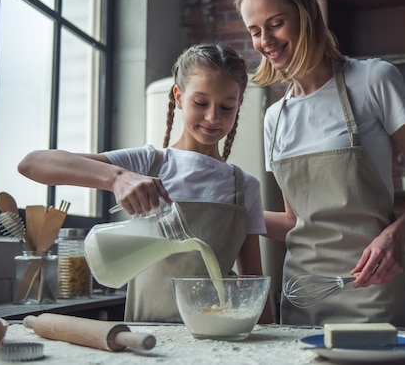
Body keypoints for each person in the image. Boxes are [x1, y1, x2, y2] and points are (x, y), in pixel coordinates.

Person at [233, 0, 405, 326]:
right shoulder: (275, 117)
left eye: (275, 23)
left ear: (306, 12)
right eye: (254, 30)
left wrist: (396, 235)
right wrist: (227, 209)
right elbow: (293, 222)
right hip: (303, 294)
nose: (264, 40)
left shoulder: (374, 80)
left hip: (371, 289)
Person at [18, 43, 272, 323]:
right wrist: (116, 177)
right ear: (178, 96)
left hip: (217, 336)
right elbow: (32, 164)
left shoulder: (244, 186)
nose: (213, 117)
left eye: (226, 106)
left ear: (240, 104)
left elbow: (252, 287)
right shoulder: (148, 163)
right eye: (200, 103)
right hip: (146, 334)